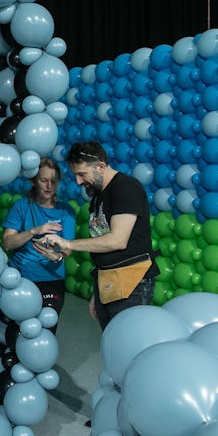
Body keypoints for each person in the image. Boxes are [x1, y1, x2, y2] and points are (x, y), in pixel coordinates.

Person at [43, 141, 158, 330]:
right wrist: (98, 293)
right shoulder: (98, 196)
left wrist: (68, 244)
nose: (79, 181)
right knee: (111, 343)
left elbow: (117, 240)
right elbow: (102, 245)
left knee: (127, 342)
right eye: (76, 176)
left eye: (82, 174)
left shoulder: (125, 188)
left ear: (101, 167)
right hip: (109, 282)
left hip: (133, 285)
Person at [1, 157, 75, 333]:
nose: (49, 186)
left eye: (54, 181)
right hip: (21, 279)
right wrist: (34, 231)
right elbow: (7, 243)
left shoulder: (66, 211)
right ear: (33, 182)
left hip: (52, 280)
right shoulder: (21, 206)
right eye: (44, 180)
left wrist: (57, 256)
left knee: (46, 329)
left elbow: (68, 249)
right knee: (19, 331)